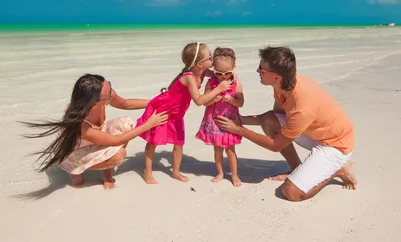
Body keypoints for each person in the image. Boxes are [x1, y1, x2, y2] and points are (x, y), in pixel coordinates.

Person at [215, 46, 357, 201]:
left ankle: (338, 171)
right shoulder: (284, 84)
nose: (257, 71)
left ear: (277, 77)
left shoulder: (301, 107)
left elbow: (275, 145)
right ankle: (296, 169)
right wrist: (241, 119)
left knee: (291, 193)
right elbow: (274, 117)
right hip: (317, 131)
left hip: (335, 145)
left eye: (262, 70)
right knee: (270, 121)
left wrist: (238, 129)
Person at [22, 74, 169, 189]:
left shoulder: (104, 93)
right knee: (118, 156)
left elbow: (125, 103)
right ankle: (74, 169)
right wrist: (149, 124)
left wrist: (157, 101)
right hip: (75, 152)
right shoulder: (80, 123)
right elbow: (116, 141)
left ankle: (107, 173)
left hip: (98, 136)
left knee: (126, 124)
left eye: (110, 87)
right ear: (94, 103)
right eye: (108, 94)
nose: (112, 94)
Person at [136, 42, 232, 184]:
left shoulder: (203, 72)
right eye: (210, 57)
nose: (212, 58)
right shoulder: (189, 77)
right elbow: (199, 101)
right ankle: (147, 172)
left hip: (177, 113)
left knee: (179, 142)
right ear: (199, 64)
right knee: (153, 142)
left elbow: (219, 74)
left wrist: (230, 72)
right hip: (164, 109)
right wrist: (218, 89)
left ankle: (175, 172)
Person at [195, 47, 244, 187]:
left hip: (229, 121)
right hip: (214, 122)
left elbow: (241, 103)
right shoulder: (211, 83)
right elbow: (205, 102)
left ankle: (234, 175)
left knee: (230, 150)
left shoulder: (236, 84)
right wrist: (213, 99)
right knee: (217, 150)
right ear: (213, 70)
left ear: (234, 68)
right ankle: (220, 173)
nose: (223, 76)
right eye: (219, 73)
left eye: (227, 73)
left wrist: (231, 100)